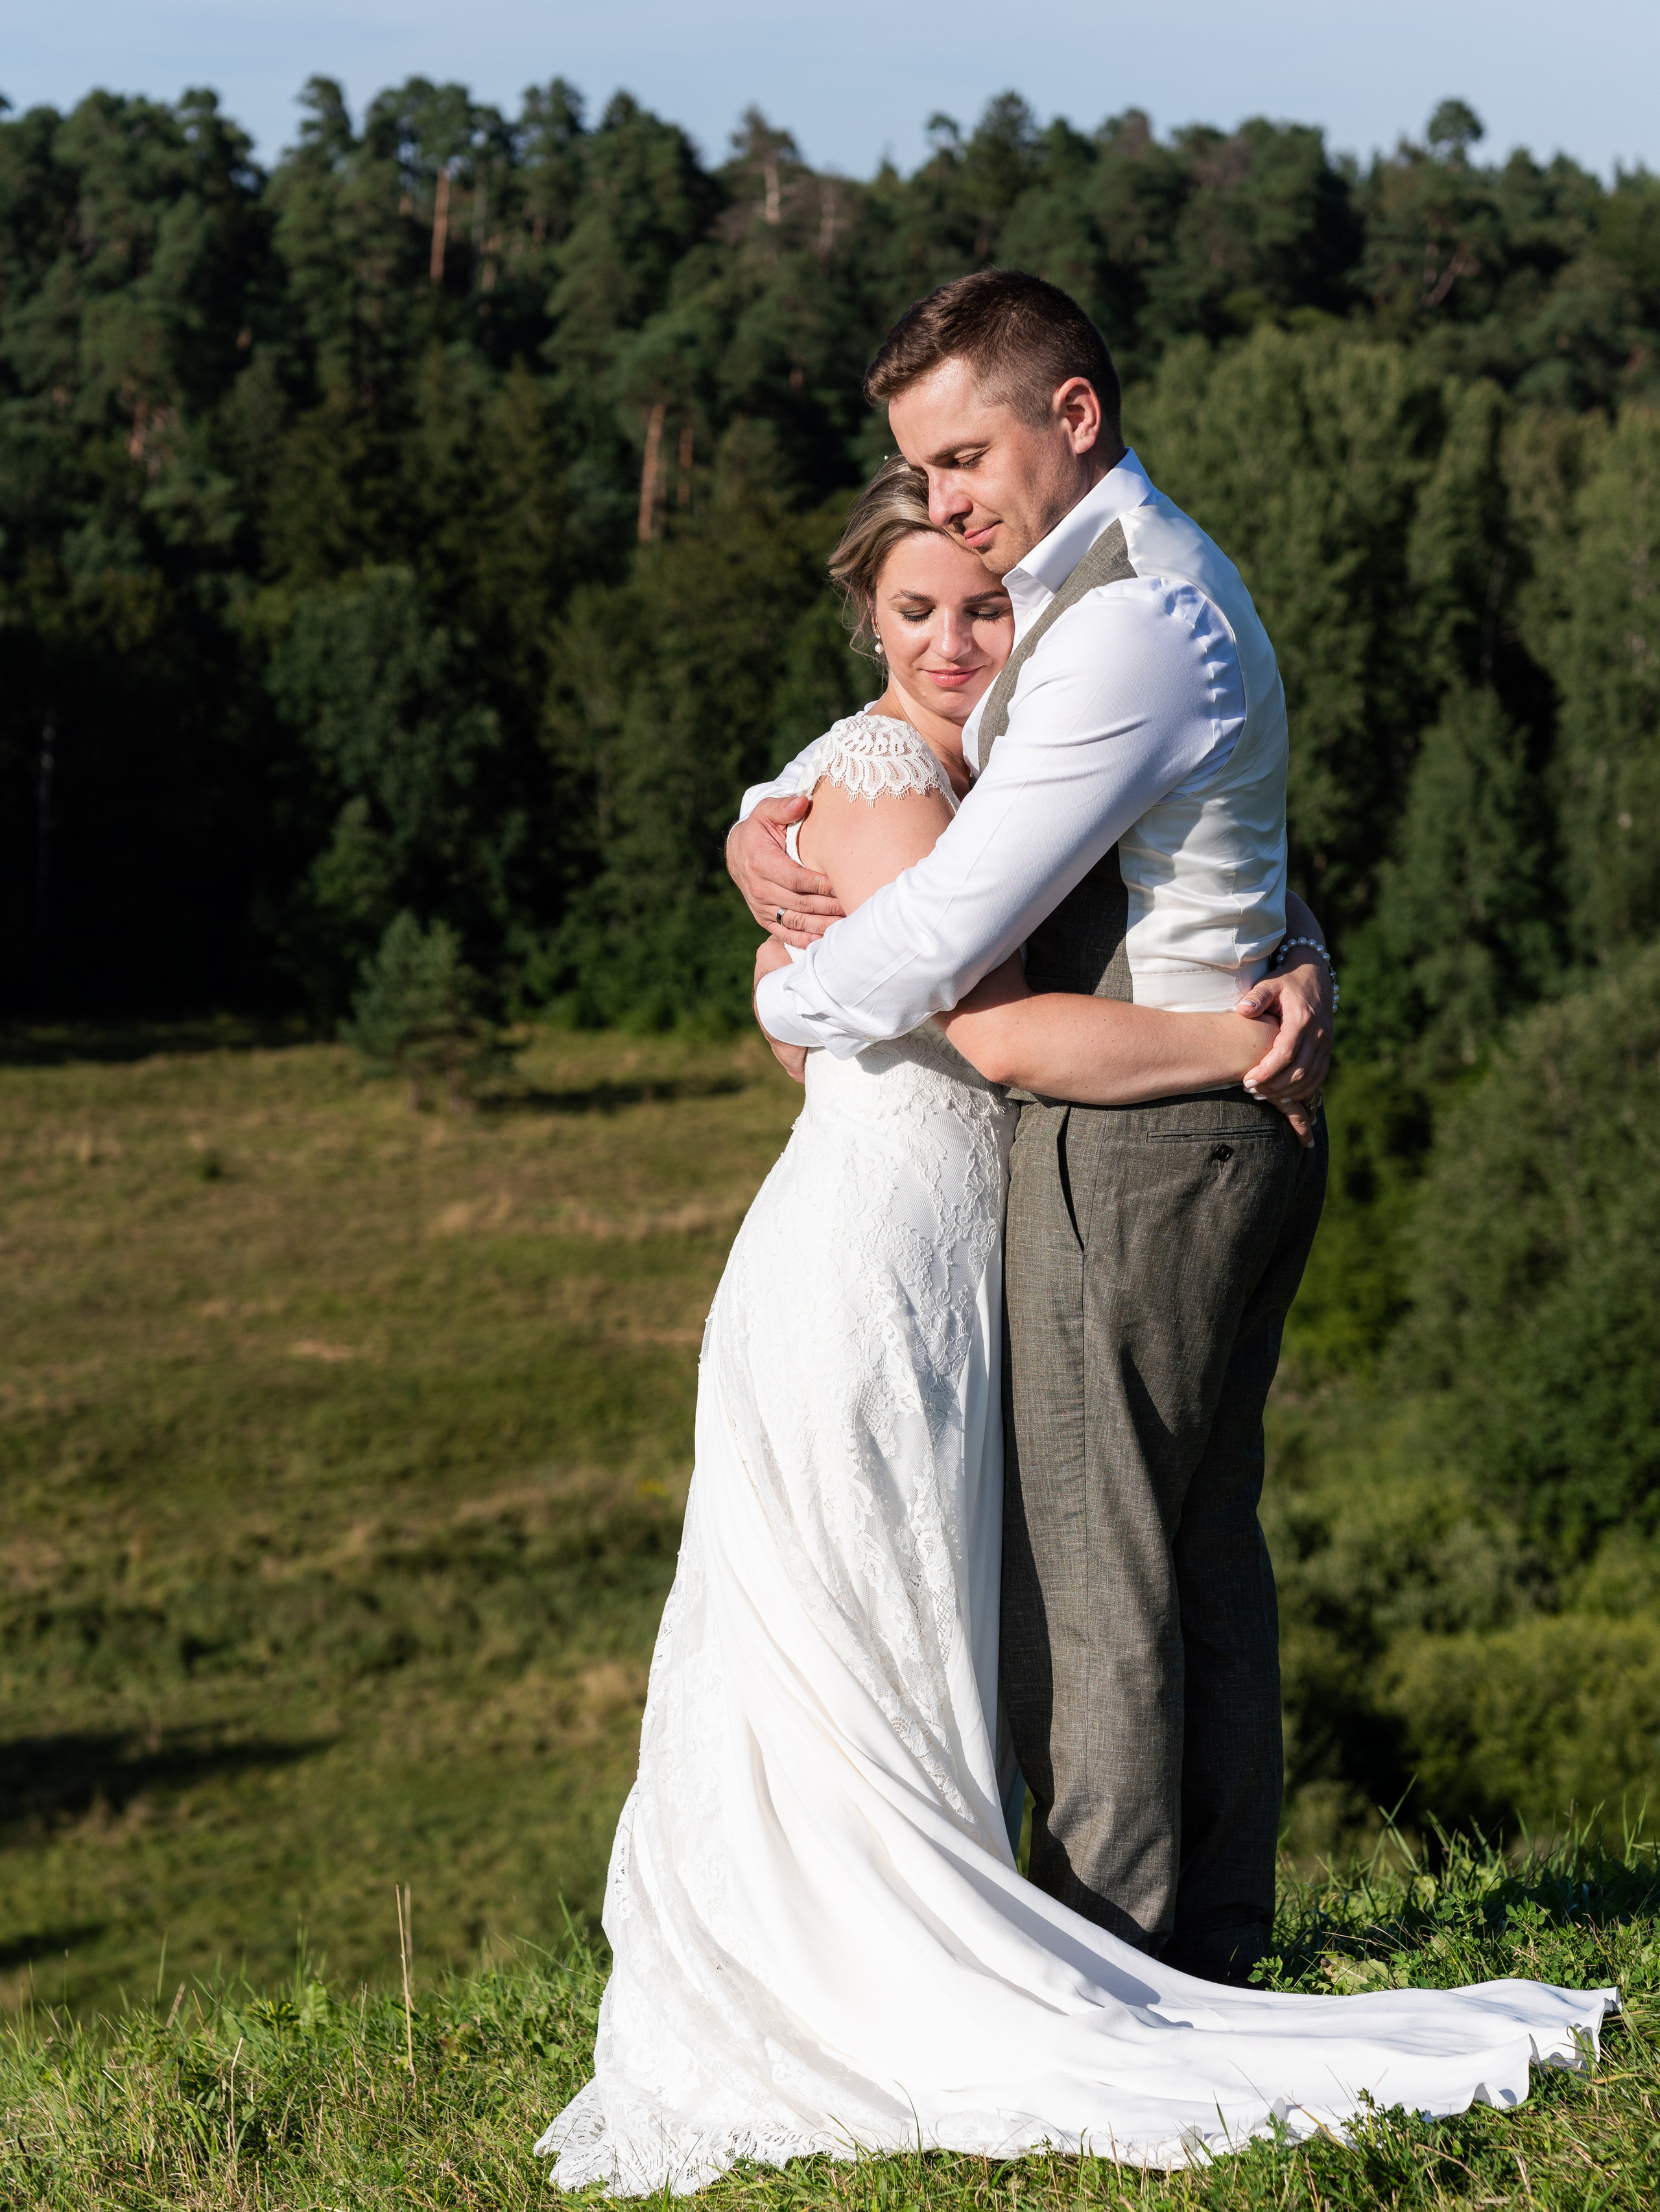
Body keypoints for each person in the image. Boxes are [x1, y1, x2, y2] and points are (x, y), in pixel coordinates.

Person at [534, 448, 1612, 2198]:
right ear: (862, 613)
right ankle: (890, 1962)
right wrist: (1250, 1037)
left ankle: (1060, 1924)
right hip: (875, 1264)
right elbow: (996, 1035)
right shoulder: (891, 788)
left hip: (952, 1249)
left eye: (982, 600)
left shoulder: (990, 750)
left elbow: (1131, 833)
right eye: (915, 608)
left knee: (942, 1611)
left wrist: (1303, 956)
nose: (958, 637)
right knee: (883, 1615)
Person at [734, 270, 1334, 1986]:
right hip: (1211, 1120)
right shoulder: (1112, 594)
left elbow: (939, 940)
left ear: (1073, 415)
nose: (946, 506)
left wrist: (781, 991)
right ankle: (1212, 1949)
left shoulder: (1129, 623)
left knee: (1099, 1576)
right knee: (1195, 1553)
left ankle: (1116, 1962)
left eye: (962, 456)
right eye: (921, 476)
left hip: (1144, 1151)